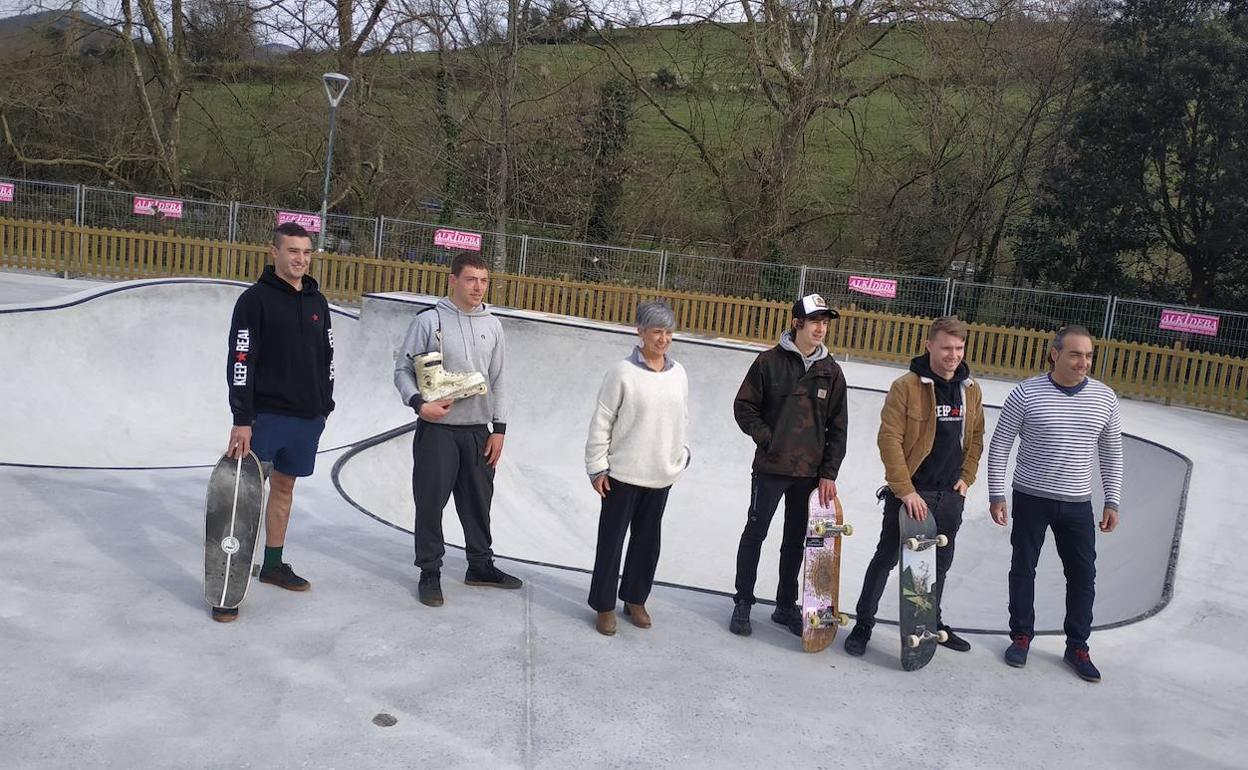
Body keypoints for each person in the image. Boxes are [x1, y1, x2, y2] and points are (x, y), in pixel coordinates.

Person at [987, 325, 1123, 683]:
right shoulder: (1026, 393)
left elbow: (1112, 453)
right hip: (1031, 497)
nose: (1083, 362)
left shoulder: (1105, 398)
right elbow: (1000, 444)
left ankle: (1077, 646)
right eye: (1075, 354)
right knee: (1023, 568)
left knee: (1083, 575)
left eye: (1089, 355)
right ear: (1055, 354)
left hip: (1077, 503)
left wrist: (1112, 500)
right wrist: (996, 494)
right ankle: (1021, 636)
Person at [843, 316, 984, 656]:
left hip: (949, 495)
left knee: (939, 565)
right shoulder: (906, 386)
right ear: (929, 345)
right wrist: (905, 490)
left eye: (959, 348)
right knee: (887, 558)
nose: (953, 355)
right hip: (911, 493)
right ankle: (864, 623)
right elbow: (889, 439)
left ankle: (932, 623)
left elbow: (977, 437)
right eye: (946, 347)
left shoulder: (970, 389)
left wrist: (966, 479)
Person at [219, 221, 335, 622]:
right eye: (292, 251)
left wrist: (325, 406)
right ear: (275, 253)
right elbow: (240, 359)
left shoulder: (318, 302)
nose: (300, 259)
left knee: (284, 488)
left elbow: (328, 358)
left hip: (306, 418)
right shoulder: (254, 300)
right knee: (245, 495)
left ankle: (272, 564)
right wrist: (242, 418)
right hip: (265, 417)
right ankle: (228, 577)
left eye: (306, 252)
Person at [394, 252, 520, 607]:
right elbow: (402, 370)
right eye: (470, 279)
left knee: (479, 502)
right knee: (430, 503)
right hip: (438, 429)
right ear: (453, 280)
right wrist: (419, 404)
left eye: (483, 280)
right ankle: (430, 571)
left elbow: (499, 378)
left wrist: (500, 428)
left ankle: (480, 565)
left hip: (478, 430)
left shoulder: (493, 325)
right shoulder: (429, 321)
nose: (478, 287)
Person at [729, 293, 849, 638]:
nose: (820, 329)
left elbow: (838, 427)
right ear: (797, 323)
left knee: (795, 541)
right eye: (814, 322)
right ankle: (743, 601)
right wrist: (768, 438)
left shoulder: (831, 371)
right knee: (755, 533)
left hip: (808, 474)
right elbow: (744, 406)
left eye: (824, 323)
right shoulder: (768, 362)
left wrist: (828, 473)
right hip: (770, 468)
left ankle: (785, 605)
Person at [584, 302, 690, 636]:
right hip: (622, 475)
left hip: (660, 475)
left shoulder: (678, 373)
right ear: (640, 332)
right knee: (611, 542)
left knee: (647, 542)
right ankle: (604, 605)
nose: (663, 339)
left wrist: (681, 455)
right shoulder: (622, 373)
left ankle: (635, 599)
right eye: (657, 331)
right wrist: (597, 467)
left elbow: (682, 418)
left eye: (669, 332)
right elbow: (602, 420)